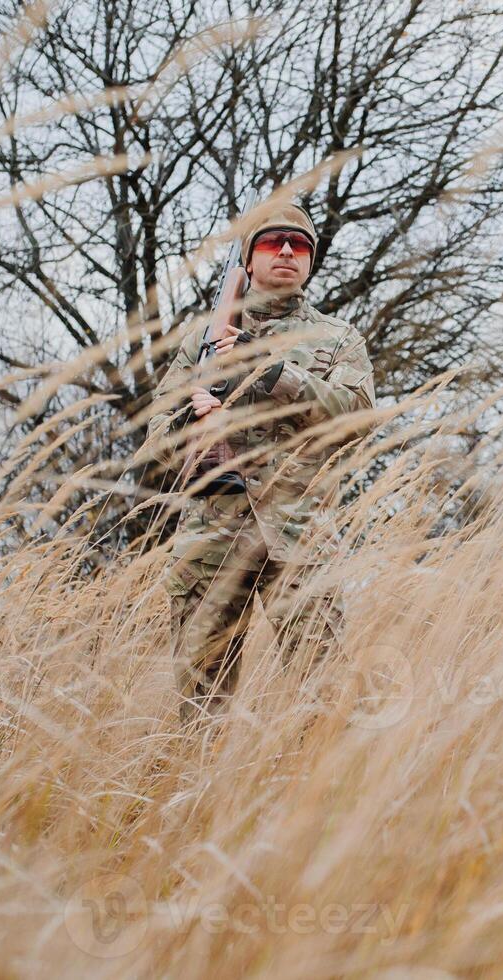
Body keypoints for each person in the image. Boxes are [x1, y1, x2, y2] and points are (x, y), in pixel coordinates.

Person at [146, 201, 377, 727]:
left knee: (323, 700)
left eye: (300, 246)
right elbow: (154, 448)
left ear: (311, 262)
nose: (288, 253)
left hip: (301, 537)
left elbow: (359, 417)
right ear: (249, 261)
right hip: (211, 541)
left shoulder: (339, 339)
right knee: (201, 710)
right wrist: (191, 419)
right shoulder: (197, 343)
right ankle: (199, 808)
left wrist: (272, 372)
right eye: (273, 243)